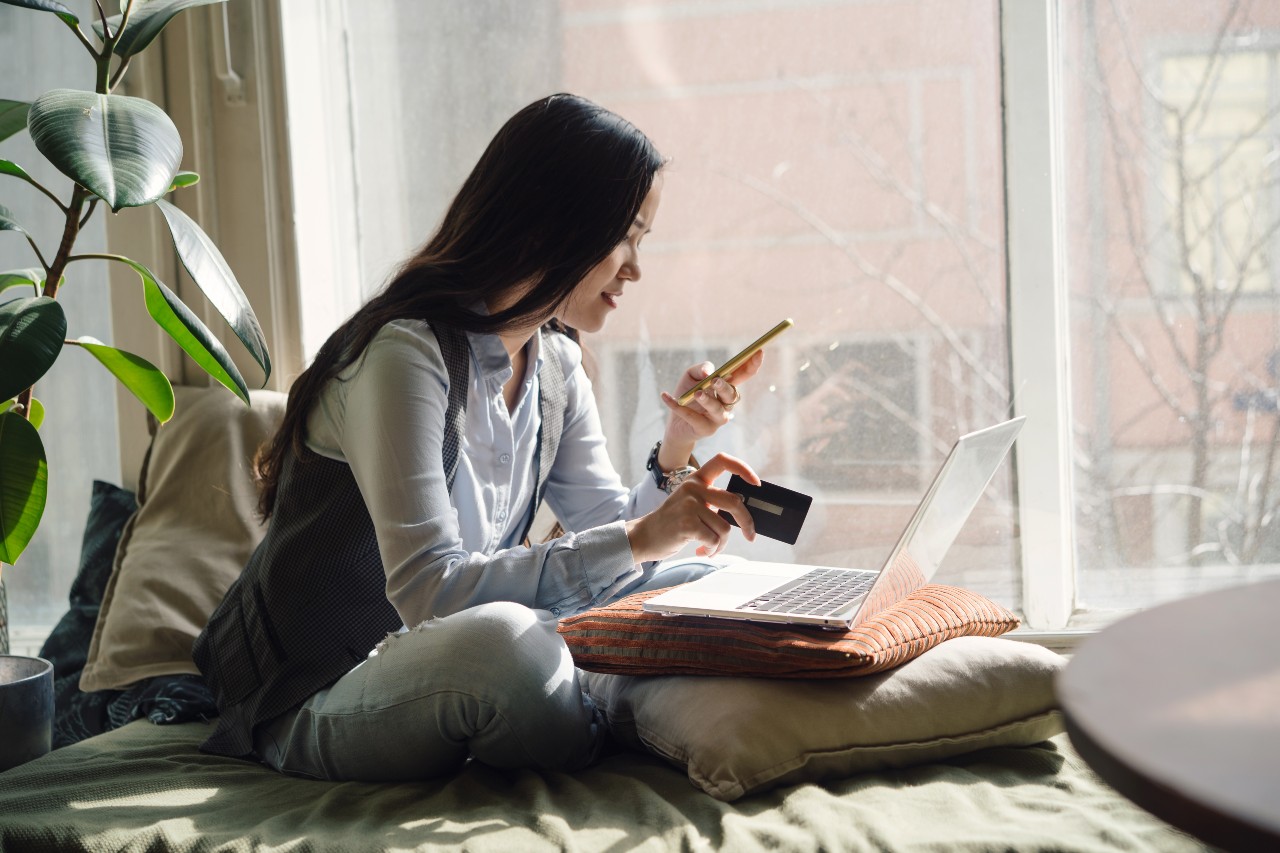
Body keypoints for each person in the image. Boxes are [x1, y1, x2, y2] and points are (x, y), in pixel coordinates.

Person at [192, 93, 763, 782]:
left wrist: (675, 448)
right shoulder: (404, 355)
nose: (635, 268)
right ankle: (615, 705)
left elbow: (611, 536)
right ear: (552, 223)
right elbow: (430, 592)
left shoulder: (554, 365)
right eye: (626, 235)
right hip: (322, 690)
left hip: (456, 661)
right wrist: (640, 541)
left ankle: (611, 695)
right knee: (508, 650)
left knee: (714, 581)